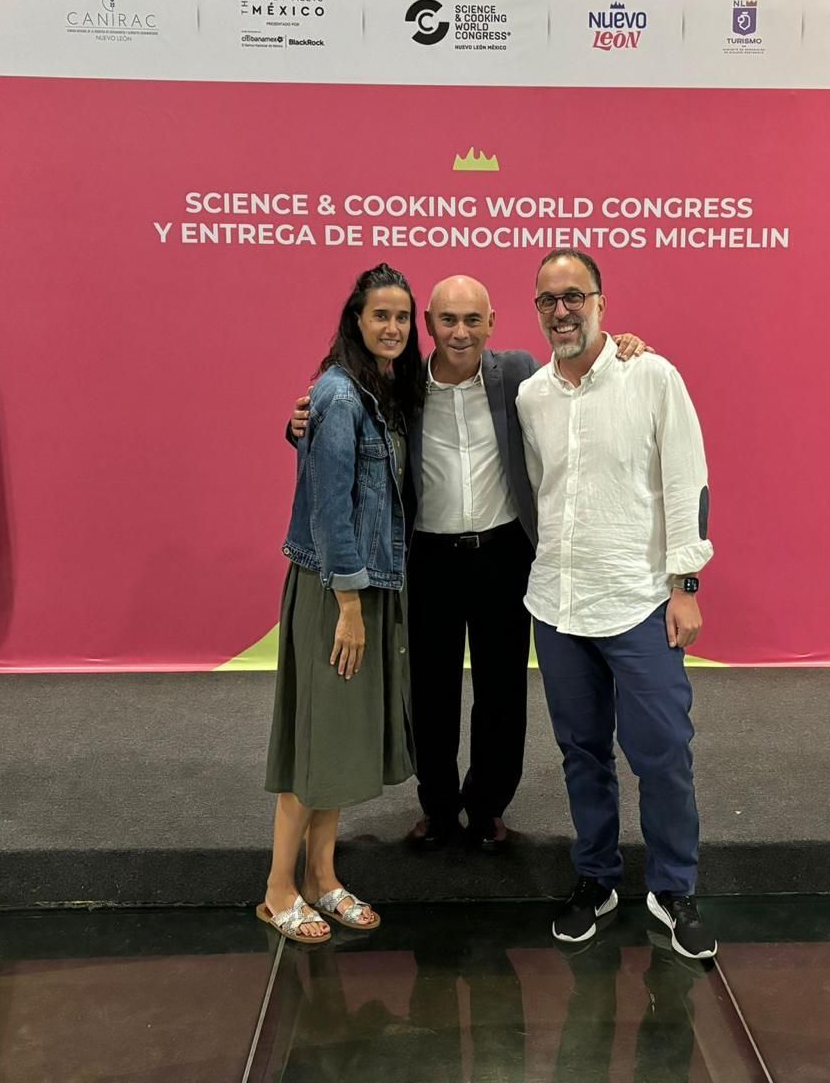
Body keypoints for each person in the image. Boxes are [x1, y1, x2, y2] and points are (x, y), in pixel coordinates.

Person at [290, 275, 648, 854]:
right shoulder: (398, 386)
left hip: (503, 555)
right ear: (428, 325)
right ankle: (436, 807)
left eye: (473, 321)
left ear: (492, 325)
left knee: (503, 692)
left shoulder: (519, 374)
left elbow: (582, 378)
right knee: (428, 692)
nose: (461, 332)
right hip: (427, 558)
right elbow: (348, 432)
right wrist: (296, 425)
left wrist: (622, 346)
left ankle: (486, 807)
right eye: (448, 321)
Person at [517, 248, 718, 960]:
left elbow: (685, 482)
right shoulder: (531, 396)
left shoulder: (652, 376)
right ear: (537, 309)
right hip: (559, 604)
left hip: (638, 603)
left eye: (575, 296)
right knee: (582, 755)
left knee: (663, 753)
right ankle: (596, 879)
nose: (563, 310)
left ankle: (673, 888)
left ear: (602, 300)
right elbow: (542, 488)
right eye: (549, 300)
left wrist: (684, 586)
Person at [262, 263, 424, 944]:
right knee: (315, 741)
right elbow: (329, 509)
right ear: (356, 319)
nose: (393, 327)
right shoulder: (337, 394)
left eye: (402, 316)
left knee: (335, 746)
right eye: (380, 315)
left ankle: (323, 879)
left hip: (369, 586)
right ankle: (277, 891)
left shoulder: (378, 391)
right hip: (338, 592)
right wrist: (352, 605)